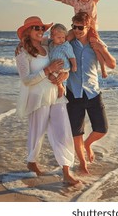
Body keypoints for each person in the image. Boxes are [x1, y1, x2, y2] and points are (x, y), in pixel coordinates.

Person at [15, 16, 80, 186]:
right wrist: (48, 70)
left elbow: (68, 34)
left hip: (57, 93)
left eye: (41, 28)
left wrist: (65, 73)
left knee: (63, 130)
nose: (40, 30)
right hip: (38, 97)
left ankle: (66, 170)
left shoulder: (47, 44)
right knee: (37, 132)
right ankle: (32, 161)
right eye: (35, 28)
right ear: (28, 32)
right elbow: (26, 80)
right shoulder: (22, 53)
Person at [66, 11, 116, 174]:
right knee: (76, 132)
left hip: (93, 93)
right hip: (74, 94)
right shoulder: (69, 44)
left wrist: (102, 48)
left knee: (102, 129)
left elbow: (112, 64)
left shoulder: (96, 43)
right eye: (74, 26)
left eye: (80, 27)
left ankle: (88, 145)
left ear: (88, 27)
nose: (77, 30)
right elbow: (50, 44)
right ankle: (82, 163)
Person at [47, 0, 118, 78]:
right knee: (65, 40)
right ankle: (61, 67)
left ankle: (103, 70)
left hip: (91, 28)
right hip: (72, 90)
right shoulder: (75, 2)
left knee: (95, 46)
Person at [48, 23, 77, 98]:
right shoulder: (51, 44)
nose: (61, 40)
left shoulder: (65, 45)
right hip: (55, 67)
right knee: (51, 78)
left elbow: (71, 56)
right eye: (59, 37)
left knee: (54, 78)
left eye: (63, 37)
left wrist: (74, 65)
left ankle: (61, 87)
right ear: (52, 37)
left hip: (63, 67)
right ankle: (59, 89)